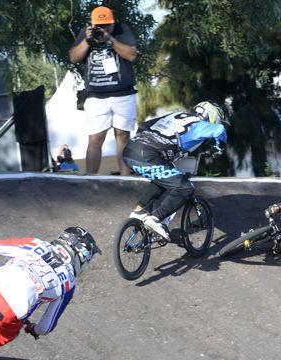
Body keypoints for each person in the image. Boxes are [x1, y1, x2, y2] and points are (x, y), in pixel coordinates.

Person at [123, 101, 228, 239]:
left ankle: (138, 212)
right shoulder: (199, 125)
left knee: (165, 179)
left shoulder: (176, 115)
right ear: (212, 116)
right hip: (147, 155)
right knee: (185, 188)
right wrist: (219, 147)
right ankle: (155, 219)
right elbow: (219, 130)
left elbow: (143, 125)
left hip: (130, 150)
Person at [0, 227, 100, 349]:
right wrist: (34, 329)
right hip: (9, 310)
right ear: (81, 258)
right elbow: (46, 327)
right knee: (6, 334)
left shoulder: (35, 243)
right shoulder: (68, 284)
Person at [69, 6, 139, 175]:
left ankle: (125, 179)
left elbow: (131, 55)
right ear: (92, 24)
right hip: (96, 96)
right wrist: (86, 40)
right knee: (95, 137)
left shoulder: (122, 30)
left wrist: (110, 39)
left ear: (113, 22)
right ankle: (91, 180)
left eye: (107, 25)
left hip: (123, 94)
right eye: (100, 25)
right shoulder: (85, 33)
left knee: (122, 136)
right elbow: (73, 58)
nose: (103, 28)